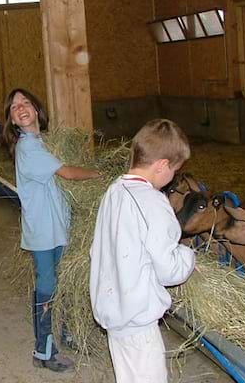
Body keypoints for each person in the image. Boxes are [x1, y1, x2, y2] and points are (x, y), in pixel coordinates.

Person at [89, 119, 196, 383]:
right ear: (162, 166)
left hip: (112, 309)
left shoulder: (114, 191)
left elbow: (97, 249)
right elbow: (169, 271)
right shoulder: (154, 203)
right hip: (137, 316)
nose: (173, 177)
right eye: (175, 170)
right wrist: (188, 256)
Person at [3, 88, 99, 373]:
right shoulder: (27, 147)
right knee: (47, 283)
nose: (21, 108)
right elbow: (68, 173)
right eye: (14, 107)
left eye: (26, 103)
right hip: (43, 230)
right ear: (11, 120)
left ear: (36, 109)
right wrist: (99, 174)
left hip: (58, 224)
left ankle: (66, 332)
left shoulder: (43, 142)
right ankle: (43, 350)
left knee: (64, 278)